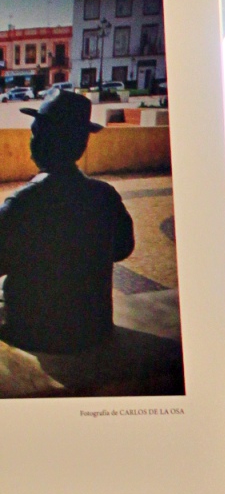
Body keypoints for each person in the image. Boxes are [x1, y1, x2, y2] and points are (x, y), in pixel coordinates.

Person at [0, 87, 134, 359]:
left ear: (42, 142)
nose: (32, 141)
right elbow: (122, 248)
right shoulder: (105, 195)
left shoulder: (23, 203)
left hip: (35, 332)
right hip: (93, 328)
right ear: (81, 144)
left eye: (35, 134)